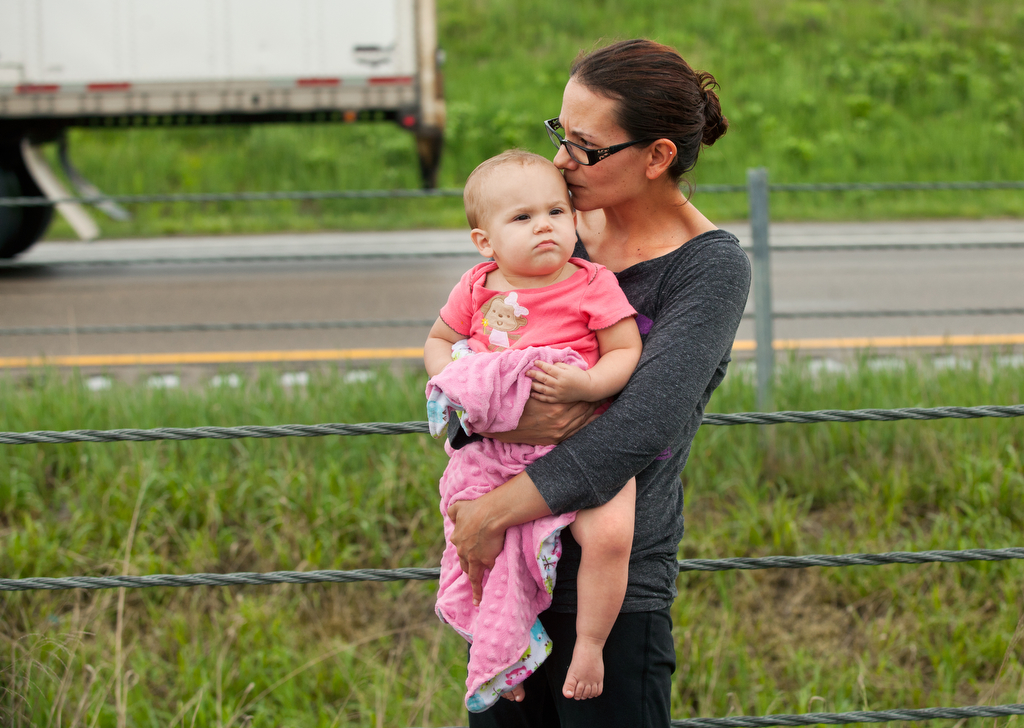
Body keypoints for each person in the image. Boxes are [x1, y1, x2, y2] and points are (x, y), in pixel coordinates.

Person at [444, 39, 752, 727]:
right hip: (506, 576)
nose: (559, 162)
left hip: (610, 590)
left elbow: (641, 428)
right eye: (559, 133)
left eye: (584, 146)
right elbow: (472, 358)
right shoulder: (555, 229)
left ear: (656, 156)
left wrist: (494, 511)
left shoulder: (708, 270)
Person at [424, 149, 643, 710]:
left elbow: (624, 348)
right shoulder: (478, 287)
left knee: (611, 537)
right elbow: (440, 343)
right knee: (478, 547)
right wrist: (465, 385)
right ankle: (501, 652)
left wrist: (589, 386)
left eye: (556, 210)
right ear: (485, 241)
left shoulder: (590, 282)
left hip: (585, 440)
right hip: (497, 449)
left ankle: (590, 646)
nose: (544, 225)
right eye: (521, 218)